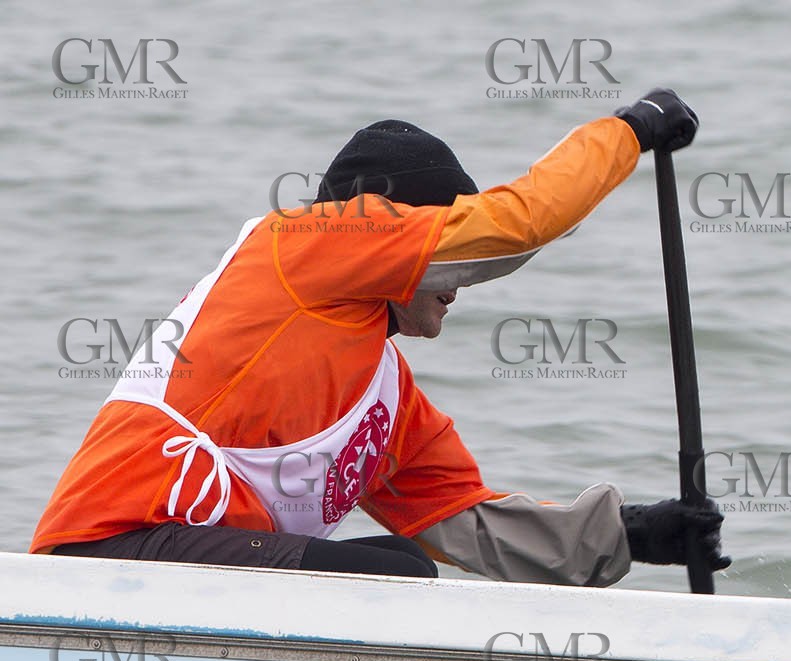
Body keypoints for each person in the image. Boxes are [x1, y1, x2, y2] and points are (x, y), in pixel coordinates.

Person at [32, 89, 729, 585]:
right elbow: (519, 227)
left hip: (197, 572)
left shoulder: (386, 401)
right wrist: (629, 132)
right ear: (384, 229)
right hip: (105, 555)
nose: (458, 279)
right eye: (445, 246)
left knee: (404, 570)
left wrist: (633, 534)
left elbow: (469, 522)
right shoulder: (304, 243)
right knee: (393, 577)